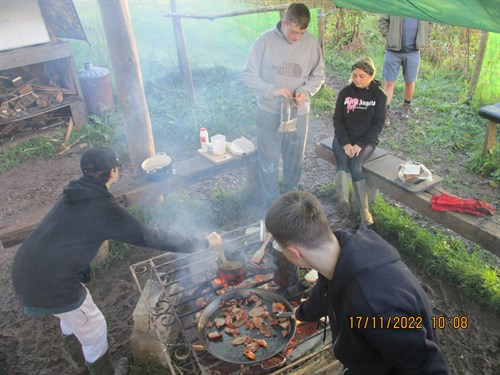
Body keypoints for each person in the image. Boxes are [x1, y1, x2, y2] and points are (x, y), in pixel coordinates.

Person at [11, 147, 222, 375]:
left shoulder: (74, 193)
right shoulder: (103, 208)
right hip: (50, 282)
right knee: (93, 327)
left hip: (25, 270)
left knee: (71, 318)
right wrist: (202, 242)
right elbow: (149, 236)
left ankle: (82, 366)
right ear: (113, 172)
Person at [265, 191, 450, 374]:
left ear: (294, 253)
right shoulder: (338, 251)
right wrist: (300, 313)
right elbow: (326, 290)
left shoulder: (375, 307)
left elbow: (429, 369)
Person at [242, 3, 325, 211]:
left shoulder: (311, 44)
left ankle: (291, 202)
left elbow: (318, 76)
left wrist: (305, 92)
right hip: (269, 112)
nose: (297, 37)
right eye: (293, 32)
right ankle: (271, 203)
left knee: (294, 159)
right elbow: (248, 75)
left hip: (299, 114)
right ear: (284, 22)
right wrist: (272, 90)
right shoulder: (264, 41)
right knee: (268, 160)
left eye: (302, 33)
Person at [332, 57, 386, 225]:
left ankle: (364, 210)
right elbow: (337, 120)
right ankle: (343, 202)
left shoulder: (379, 95)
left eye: (361, 76)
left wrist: (359, 144)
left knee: (355, 165)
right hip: (344, 138)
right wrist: (346, 143)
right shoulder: (345, 92)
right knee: (342, 161)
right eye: (354, 75)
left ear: (370, 75)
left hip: (365, 141)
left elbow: (378, 125)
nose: (357, 79)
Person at [377, 15, 432, 124]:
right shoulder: (395, 3)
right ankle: (385, 112)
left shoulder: (420, 6)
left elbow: (430, 23)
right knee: (389, 82)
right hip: (393, 51)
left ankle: (406, 107)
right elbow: (382, 21)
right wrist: (389, 37)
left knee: (410, 81)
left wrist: (425, 37)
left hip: (413, 51)